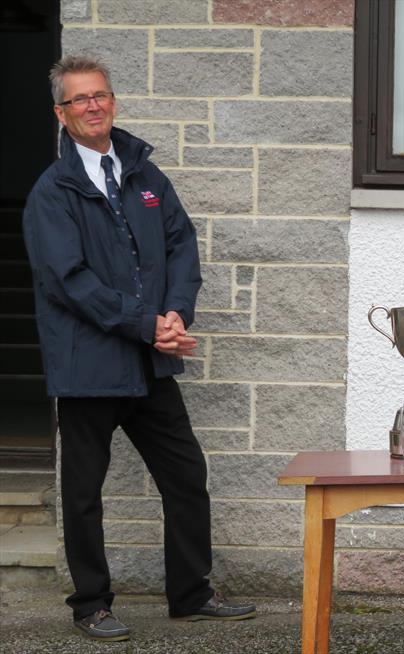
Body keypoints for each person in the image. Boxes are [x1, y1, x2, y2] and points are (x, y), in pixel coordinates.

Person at [23, 55, 256, 642]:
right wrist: (146, 323)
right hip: (88, 367)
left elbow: (181, 246)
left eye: (100, 95)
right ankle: (92, 605)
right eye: (79, 99)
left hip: (150, 361)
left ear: (113, 102)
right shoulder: (53, 191)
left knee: (184, 474)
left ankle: (190, 592)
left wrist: (176, 314)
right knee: (83, 494)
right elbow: (69, 280)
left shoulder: (146, 176)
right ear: (62, 113)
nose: (93, 105)